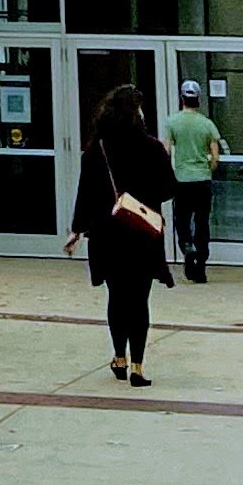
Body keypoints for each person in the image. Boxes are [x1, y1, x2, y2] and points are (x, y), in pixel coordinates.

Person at [65, 80, 180, 382]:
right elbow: (169, 189)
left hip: (107, 234)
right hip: (142, 234)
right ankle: (139, 367)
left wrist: (77, 229)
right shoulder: (153, 147)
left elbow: (85, 192)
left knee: (116, 297)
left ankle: (119, 357)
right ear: (135, 113)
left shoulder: (97, 149)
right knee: (139, 299)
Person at [163, 79, 226, 284]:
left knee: (182, 221)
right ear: (198, 99)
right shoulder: (207, 124)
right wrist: (208, 169)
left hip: (182, 180)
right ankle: (201, 264)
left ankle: (187, 248)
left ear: (182, 98)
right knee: (202, 222)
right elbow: (215, 157)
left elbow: (166, 151)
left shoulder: (172, 122)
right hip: (202, 180)